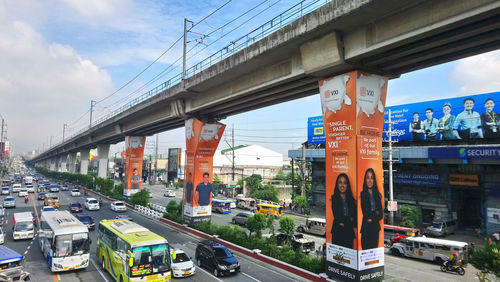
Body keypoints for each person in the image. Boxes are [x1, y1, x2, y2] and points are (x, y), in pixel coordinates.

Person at [331, 173, 356, 248]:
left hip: (349, 234)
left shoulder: (351, 200)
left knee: (348, 258)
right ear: (337, 184)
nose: (342, 185)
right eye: (340, 182)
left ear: (347, 185)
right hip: (337, 233)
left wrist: (345, 221)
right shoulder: (334, 198)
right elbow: (338, 217)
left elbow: (355, 219)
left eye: (344, 183)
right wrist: (349, 220)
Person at [360, 168, 383, 250]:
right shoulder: (362, 194)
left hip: (375, 229)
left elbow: (381, 215)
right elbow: (365, 213)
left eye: (372, 178)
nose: (370, 180)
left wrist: (371, 217)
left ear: (374, 180)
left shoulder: (378, 195)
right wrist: (375, 213)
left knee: (373, 254)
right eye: (368, 177)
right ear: (365, 180)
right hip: (366, 229)